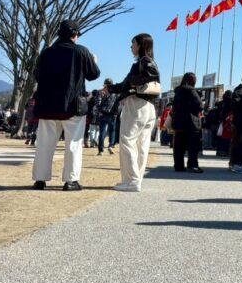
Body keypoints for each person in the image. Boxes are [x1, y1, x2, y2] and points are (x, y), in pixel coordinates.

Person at [32, 20, 101, 191]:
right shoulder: (81, 51)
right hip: (72, 105)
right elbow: (93, 74)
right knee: (73, 144)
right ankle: (71, 181)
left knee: (44, 144)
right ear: (75, 34)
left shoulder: (47, 52)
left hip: (47, 106)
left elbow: (37, 76)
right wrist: (93, 61)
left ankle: (40, 179)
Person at [111, 33, 161, 192]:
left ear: (140, 45)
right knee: (141, 145)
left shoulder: (143, 61)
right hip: (148, 106)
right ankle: (135, 180)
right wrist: (113, 88)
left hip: (137, 105)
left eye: (133, 43)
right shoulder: (150, 61)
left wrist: (132, 82)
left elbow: (150, 76)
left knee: (127, 140)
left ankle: (131, 180)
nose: (131, 46)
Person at [172, 72, 204, 173]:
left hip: (179, 122)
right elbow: (200, 105)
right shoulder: (191, 90)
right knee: (193, 145)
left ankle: (178, 166)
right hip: (191, 122)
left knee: (179, 146)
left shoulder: (177, 91)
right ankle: (192, 165)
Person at [97, 79, 118, 156]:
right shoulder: (115, 93)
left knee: (102, 132)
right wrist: (116, 112)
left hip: (103, 114)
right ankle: (111, 146)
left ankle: (101, 150)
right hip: (112, 114)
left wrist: (100, 111)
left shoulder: (100, 92)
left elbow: (97, 103)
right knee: (112, 131)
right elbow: (117, 103)